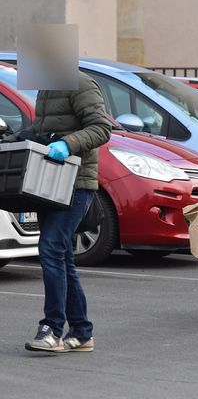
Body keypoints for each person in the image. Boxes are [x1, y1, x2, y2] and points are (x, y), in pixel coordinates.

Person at [25, 72, 112, 352]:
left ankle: (51, 329)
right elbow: (45, 131)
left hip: (76, 184)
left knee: (50, 248)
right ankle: (82, 332)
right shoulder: (46, 88)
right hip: (50, 183)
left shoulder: (81, 84)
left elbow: (101, 128)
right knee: (61, 255)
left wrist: (68, 144)